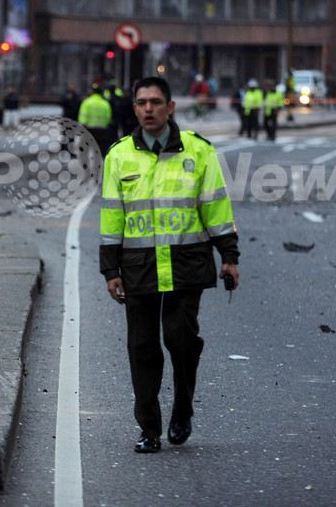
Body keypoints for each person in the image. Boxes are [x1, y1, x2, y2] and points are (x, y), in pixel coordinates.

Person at [99, 76, 239, 454]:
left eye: (156, 102)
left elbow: (216, 208)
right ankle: (149, 429)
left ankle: (182, 410)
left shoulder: (199, 152)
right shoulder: (118, 155)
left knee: (181, 342)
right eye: (142, 102)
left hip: (186, 266)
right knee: (142, 349)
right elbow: (112, 218)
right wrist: (110, 271)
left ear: (170, 107)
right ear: (134, 108)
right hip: (138, 268)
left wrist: (229, 257)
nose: (149, 109)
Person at [78, 83, 114, 155]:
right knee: (99, 151)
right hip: (102, 131)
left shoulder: (86, 102)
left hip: (89, 129)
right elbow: (108, 119)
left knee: (86, 150)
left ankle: (86, 165)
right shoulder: (105, 104)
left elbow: (82, 118)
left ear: (92, 92)